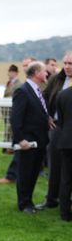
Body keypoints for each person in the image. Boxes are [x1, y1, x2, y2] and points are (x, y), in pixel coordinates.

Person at [10, 61, 51, 213]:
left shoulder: (37, 90)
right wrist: (21, 139)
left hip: (39, 141)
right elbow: (16, 118)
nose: (47, 74)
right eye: (44, 71)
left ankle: (29, 202)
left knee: (33, 173)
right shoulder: (23, 91)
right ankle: (24, 204)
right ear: (36, 73)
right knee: (25, 174)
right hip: (27, 142)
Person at [39, 51, 72, 211]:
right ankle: (52, 198)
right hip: (57, 127)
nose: (67, 66)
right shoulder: (57, 79)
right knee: (54, 165)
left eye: (70, 64)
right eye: (65, 63)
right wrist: (47, 117)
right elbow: (43, 98)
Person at [0, 60, 32, 184]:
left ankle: (12, 176)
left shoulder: (20, 85)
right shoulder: (11, 84)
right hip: (13, 115)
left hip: (20, 117)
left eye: (27, 65)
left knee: (18, 144)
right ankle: (12, 175)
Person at [55, 83, 72, 221]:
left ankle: (65, 213)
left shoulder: (63, 94)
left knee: (65, 179)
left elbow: (60, 121)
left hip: (66, 141)